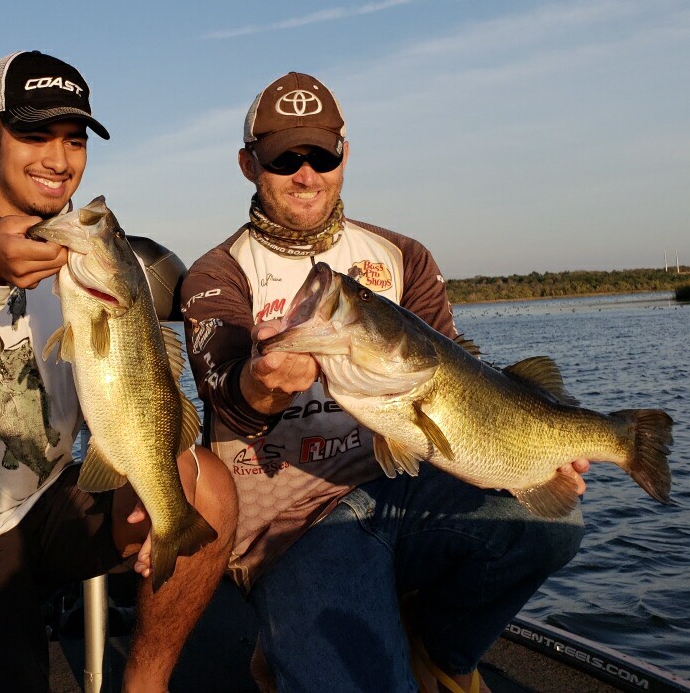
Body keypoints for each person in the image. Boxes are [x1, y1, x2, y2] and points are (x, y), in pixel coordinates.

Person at [181, 71, 587, 693]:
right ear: (248, 164)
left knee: (549, 525)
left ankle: (439, 650)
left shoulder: (403, 257)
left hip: (402, 490)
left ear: (345, 154)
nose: (306, 173)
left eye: (322, 153)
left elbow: (463, 390)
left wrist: (535, 449)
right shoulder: (218, 274)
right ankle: (289, 639)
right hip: (293, 524)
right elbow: (224, 396)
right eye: (285, 157)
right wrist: (264, 384)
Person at [0, 50, 237, 693]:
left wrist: (156, 495)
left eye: (73, 140)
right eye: (35, 135)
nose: (58, 159)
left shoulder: (80, 263)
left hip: (48, 501)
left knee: (200, 483)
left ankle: (145, 682)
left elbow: (125, 394)